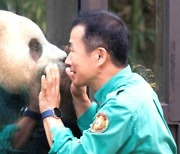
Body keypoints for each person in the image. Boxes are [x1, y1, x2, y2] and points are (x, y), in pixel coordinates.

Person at [39, 9, 177, 153]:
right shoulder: (135, 85)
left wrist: (50, 110)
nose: (67, 60)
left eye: (73, 51)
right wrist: (78, 96)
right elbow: (103, 140)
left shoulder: (123, 106)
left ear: (100, 56)